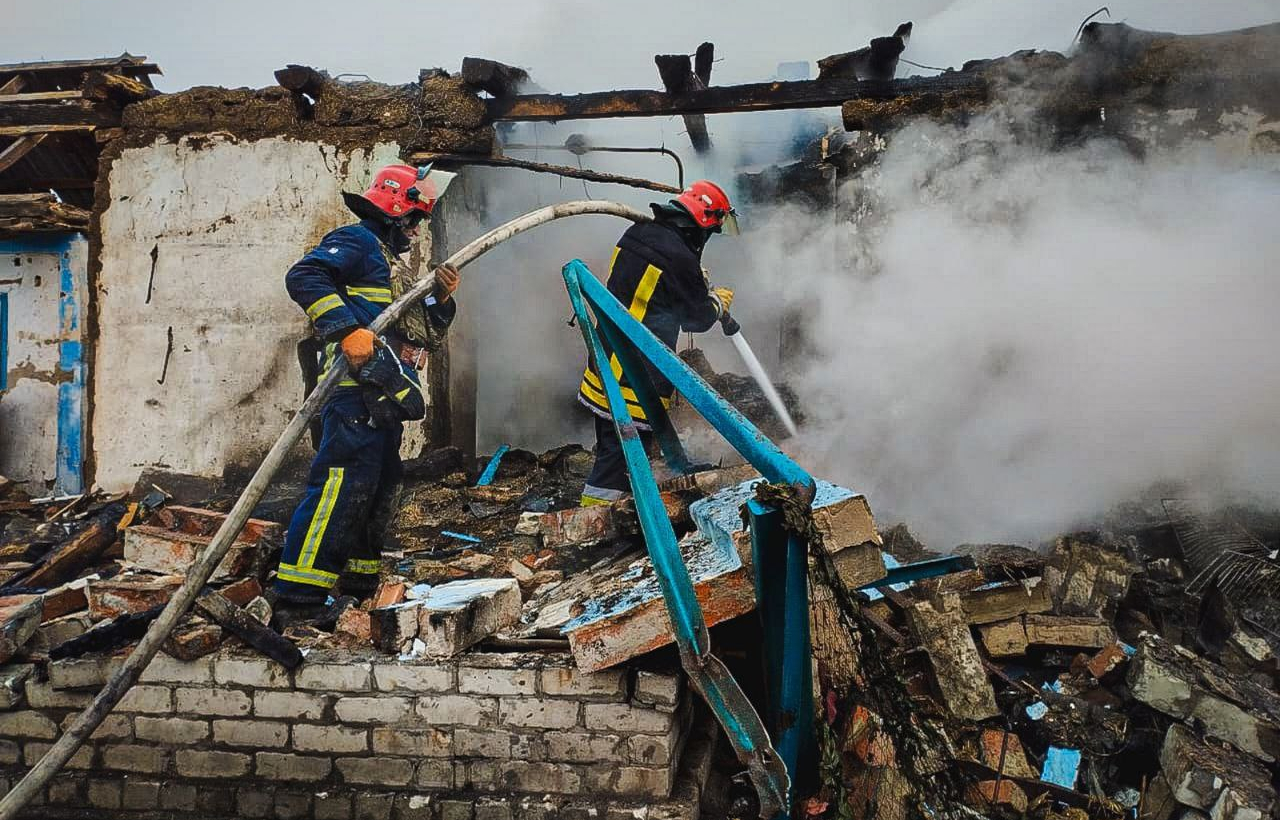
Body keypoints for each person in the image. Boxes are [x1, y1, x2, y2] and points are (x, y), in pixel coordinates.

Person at [272, 164, 460, 622]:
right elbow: (305, 276)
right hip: (352, 395)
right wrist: (347, 331)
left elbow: (416, 328)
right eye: (414, 220)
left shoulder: (387, 261)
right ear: (396, 211)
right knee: (339, 490)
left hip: (384, 398)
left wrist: (440, 297)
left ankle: (358, 586)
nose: (417, 230)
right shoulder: (355, 241)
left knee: (375, 491)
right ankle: (297, 599)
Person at [576, 180, 738, 506]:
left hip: (606, 365)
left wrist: (689, 281)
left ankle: (633, 506)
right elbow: (698, 319)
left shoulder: (638, 233)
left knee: (619, 454)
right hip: (635, 379)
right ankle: (589, 526)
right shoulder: (680, 259)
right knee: (616, 464)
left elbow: (651, 287)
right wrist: (717, 302)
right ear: (699, 226)